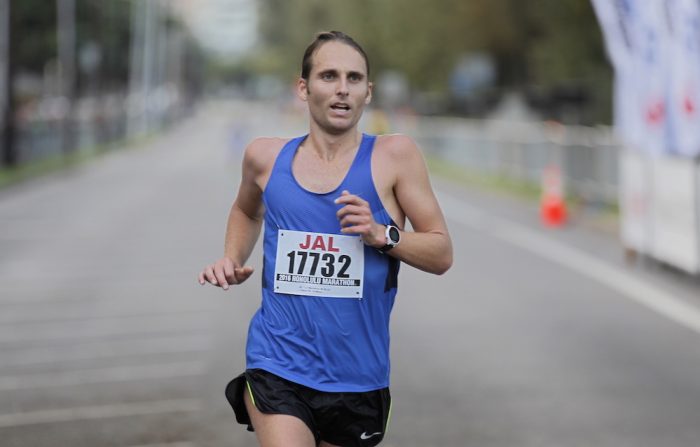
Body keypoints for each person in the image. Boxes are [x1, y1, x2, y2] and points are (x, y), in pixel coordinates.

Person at [198, 30, 453, 447]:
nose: (341, 89)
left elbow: (441, 252)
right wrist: (231, 257)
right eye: (329, 76)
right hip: (277, 362)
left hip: (358, 375)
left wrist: (381, 234)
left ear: (368, 92)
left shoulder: (394, 158)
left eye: (354, 79)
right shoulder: (265, 157)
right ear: (303, 87)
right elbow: (246, 209)